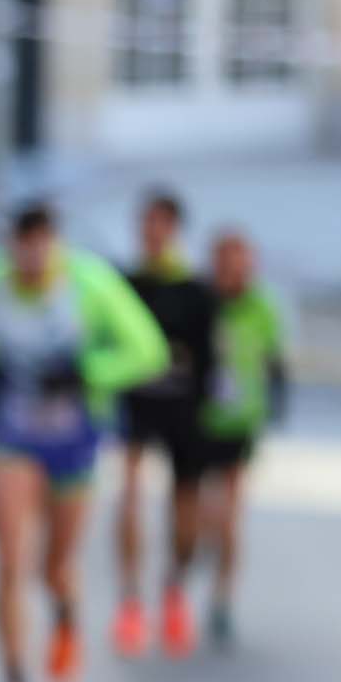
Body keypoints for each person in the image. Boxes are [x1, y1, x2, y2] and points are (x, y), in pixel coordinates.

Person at [0, 202, 167, 682]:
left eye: (41, 248)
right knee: (8, 562)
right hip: (12, 438)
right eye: (21, 249)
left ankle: (66, 614)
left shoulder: (90, 283)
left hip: (73, 440)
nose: (31, 260)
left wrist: (88, 371)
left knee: (55, 567)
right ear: (10, 246)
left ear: (55, 246)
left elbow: (149, 351)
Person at [161, 229, 288, 650]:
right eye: (226, 261)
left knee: (229, 517)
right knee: (188, 519)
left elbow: (274, 359)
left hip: (237, 423)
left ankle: (222, 600)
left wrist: (276, 404)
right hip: (195, 420)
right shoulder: (196, 301)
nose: (234, 271)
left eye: (242, 261)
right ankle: (178, 575)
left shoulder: (261, 307)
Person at [110, 189, 216, 657]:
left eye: (161, 223)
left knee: (185, 508)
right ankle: (130, 600)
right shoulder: (124, 284)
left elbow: (210, 362)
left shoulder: (196, 291)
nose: (152, 232)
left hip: (184, 410)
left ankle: (174, 589)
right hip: (137, 405)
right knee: (129, 494)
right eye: (145, 222)